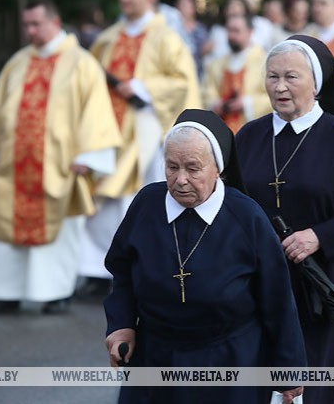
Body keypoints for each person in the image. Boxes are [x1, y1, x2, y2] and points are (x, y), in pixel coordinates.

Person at [104, 109, 306, 403]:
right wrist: (121, 324)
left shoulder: (246, 215)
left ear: (218, 168)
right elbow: (122, 272)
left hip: (230, 359)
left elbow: (276, 297)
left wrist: (288, 367)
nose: (181, 180)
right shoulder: (147, 204)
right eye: (171, 167)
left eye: (193, 168)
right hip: (155, 354)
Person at [235, 35, 334, 404]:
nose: (280, 86)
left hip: (319, 287)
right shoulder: (249, 136)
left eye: (291, 76)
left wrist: (319, 236)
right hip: (255, 285)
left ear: (316, 83)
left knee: (306, 393)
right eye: (272, 77)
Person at [0, 0, 122, 314]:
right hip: (12, 167)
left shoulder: (81, 62)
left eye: (35, 24)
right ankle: (3, 292)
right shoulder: (18, 62)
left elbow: (96, 111)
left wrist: (90, 155)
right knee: (4, 225)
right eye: (26, 24)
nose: (29, 30)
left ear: (54, 23)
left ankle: (54, 292)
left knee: (61, 231)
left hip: (59, 166)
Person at [78, 0, 202, 298]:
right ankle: (96, 270)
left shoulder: (166, 38)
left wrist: (143, 87)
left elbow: (182, 82)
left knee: (133, 200)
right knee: (102, 201)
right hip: (107, 128)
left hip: (145, 128)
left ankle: (134, 267)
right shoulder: (107, 38)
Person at [202, 14, 272, 133]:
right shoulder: (216, 64)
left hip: (251, 130)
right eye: (229, 30)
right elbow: (206, 90)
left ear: (249, 32)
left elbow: (273, 97)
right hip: (222, 127)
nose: (231, 35)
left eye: (236, 31)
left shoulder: (265, 62)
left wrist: (246, 103)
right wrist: (215, 103)